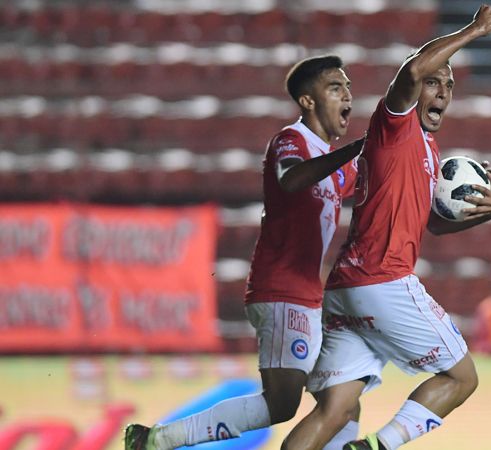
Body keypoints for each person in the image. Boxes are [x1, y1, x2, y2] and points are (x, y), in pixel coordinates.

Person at [280, 5, 491, 450]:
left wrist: (487, 212)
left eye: (449, 86)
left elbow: (433, 228)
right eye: (434, 83)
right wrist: (475, 30)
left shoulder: (428, 149)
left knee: (334, 409)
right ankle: (376, 447)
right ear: (416, 91)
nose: (441, 92)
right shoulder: (394, 122)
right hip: (384, 281)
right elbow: (412, 69)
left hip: (346, 288)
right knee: (462, 377)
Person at [124, 55, 366, 450]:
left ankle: (157, 440)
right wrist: (354, 149)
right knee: (283, 403)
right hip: (281, 291)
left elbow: (369, 178)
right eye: (336, 87)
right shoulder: (291, 140)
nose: (347, 95)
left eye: (348, 87)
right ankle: (160, 439)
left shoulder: (330, 164)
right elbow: (291, 179)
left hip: (307, 296)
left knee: (342, 399)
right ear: (308, 100)